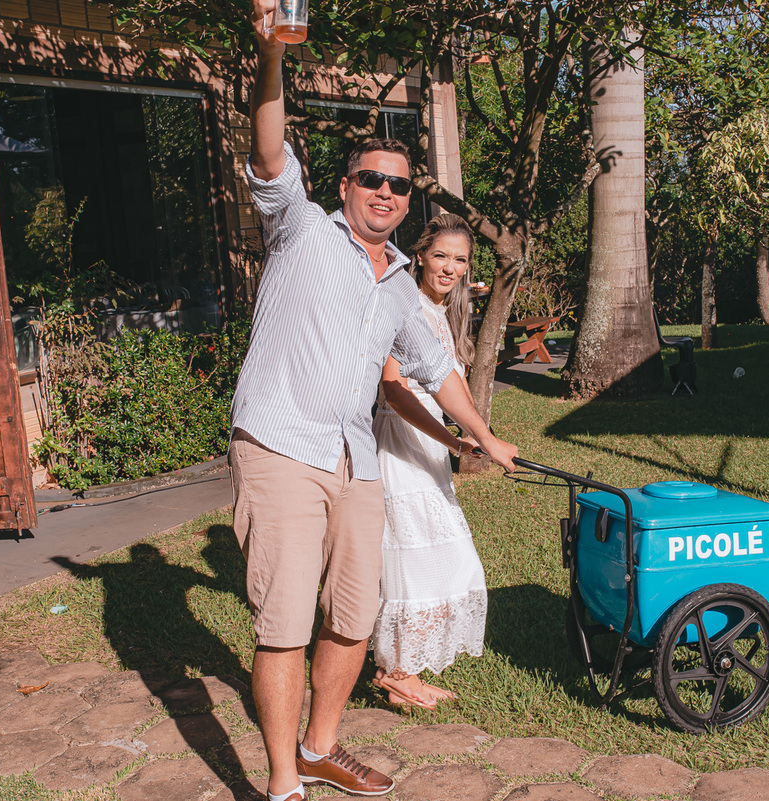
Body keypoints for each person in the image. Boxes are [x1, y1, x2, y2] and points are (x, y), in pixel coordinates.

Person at [232, 3, 518, 799]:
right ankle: (285, 781)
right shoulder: (299, 228)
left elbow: (436, 369)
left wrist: (484, 437)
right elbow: (267, 145)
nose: (386, 191)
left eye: (398, 184)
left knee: (356, 616)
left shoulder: (398, 280)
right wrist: (270, 57)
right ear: (346, 184)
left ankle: (322, 745)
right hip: (281, 445)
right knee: (285, 624)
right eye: (372, 178)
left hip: (353, 459)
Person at [370, 214, 486, 710]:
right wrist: (458, 442)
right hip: (401, 443)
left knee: (428, 557)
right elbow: (394, 391)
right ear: (418, 255)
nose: (451, 267)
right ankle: (399, 672)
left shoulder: (441, 311)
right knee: (417, 558)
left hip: (431, 447)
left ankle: (400, 669)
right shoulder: (406, 306)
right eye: (441, 256)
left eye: (460, 259)